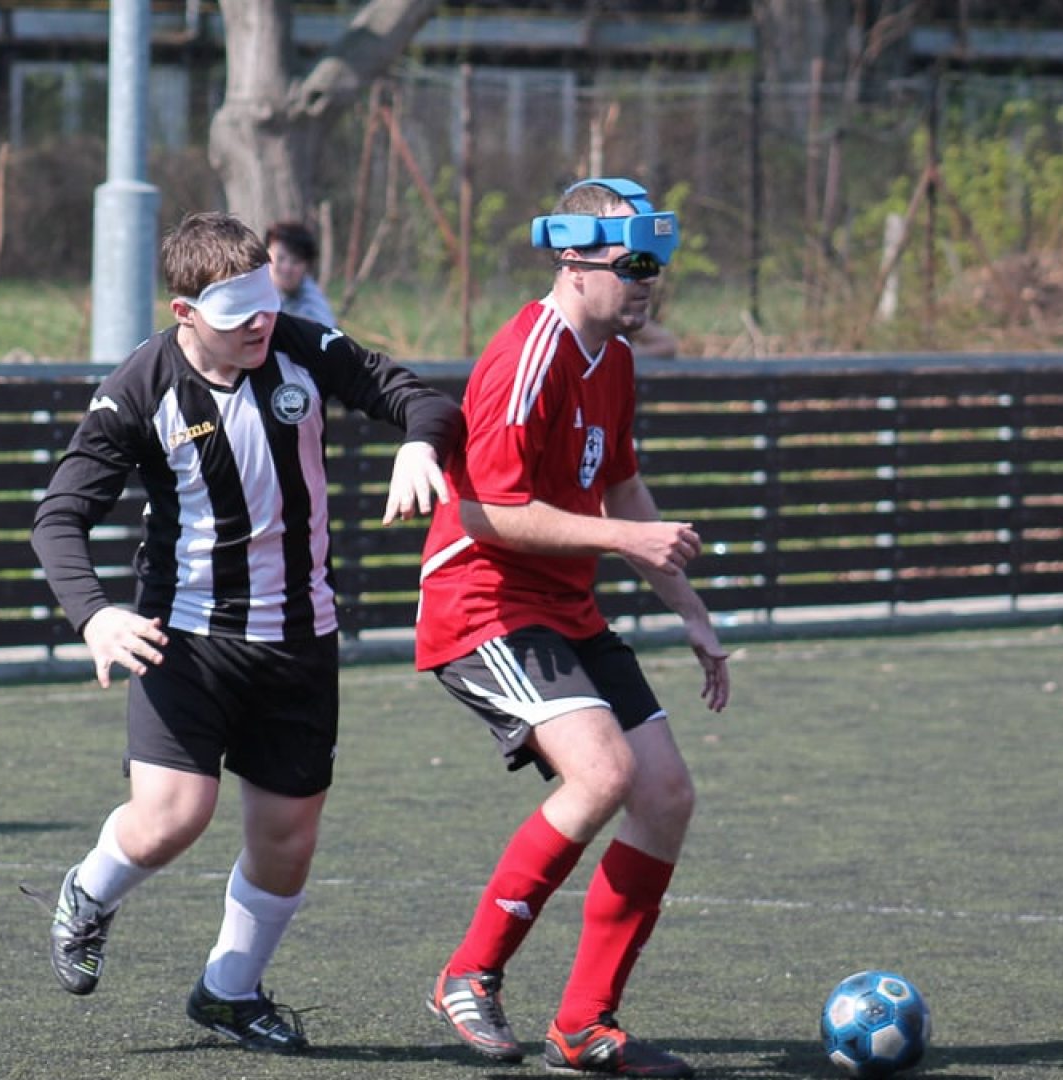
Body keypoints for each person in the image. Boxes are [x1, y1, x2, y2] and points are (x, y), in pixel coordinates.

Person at [30, 211, 461, 1055]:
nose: (260, 324)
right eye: (239, 317)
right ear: (186, 314)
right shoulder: (139, 387)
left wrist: (420, 442)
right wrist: (96, 613)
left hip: (302, 640)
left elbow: (421, 399)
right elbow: (59, 518)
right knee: (171, 818)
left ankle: (229, 992)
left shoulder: (300, 344)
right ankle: (88, 893)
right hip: (185, 641)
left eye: (265, 304)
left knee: (287, 839)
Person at [413, 178, 731, 1079]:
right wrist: (626, 537)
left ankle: (586, 1023)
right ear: (573, 258)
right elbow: (489, 510)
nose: (646, 283)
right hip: (483, 602)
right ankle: (467, 974)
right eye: (632, 264)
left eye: (656, 266)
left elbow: (623, 486)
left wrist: (693, 614)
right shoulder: (529, 354)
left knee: (665, 796)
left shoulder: (615, 358)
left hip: (562, 608)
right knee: (603, 775)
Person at [264, 221, 338, 326]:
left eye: (295, 261)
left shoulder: (313, 304)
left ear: (307, 266)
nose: (287, 268)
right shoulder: (249, 291)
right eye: (280, 258)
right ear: (266, 255)